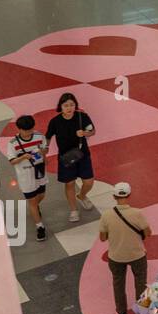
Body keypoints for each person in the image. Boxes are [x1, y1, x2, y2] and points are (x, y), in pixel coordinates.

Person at [99, 182, 150, 314]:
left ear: (114, 196)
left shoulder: (106, 215)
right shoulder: (137, 213)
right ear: (129, 195)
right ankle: (142, 311)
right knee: (141, 282)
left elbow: (102, 238)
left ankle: (122, 312)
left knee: (118, 283)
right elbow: (148, 232)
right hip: (137, 254)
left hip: (116, 256)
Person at [45, 92, 96, 223]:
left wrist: (84, 133)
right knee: (70, 184)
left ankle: (82, 196)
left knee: (89, 181)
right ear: (60, 106)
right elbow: (48, 136)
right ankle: (74, 210)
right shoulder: (55, 121)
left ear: (75, 106)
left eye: (72, 105)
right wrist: (45, 149)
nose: (69, 108)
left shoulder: (82, 116)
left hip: (82, 154)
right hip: (66, 157)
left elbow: (93, 131)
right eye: (66, 105)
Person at [6, 115, 49, 242]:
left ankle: (35, 208)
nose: (28, 132)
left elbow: (45, 149)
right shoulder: (12, 143)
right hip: (25, 176)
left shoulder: (39, 136)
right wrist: (23, 157)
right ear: (19, 129)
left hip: (40, 171)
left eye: (30, 129)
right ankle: (39, 226)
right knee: (32, 201)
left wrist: (43, 153)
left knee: (41, 196)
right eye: (25, 130)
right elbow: (12, 161)